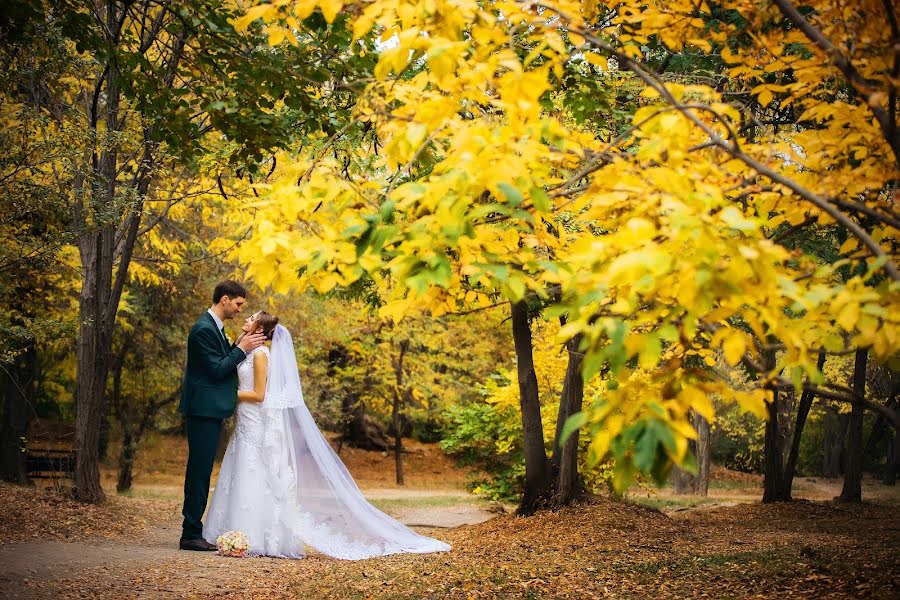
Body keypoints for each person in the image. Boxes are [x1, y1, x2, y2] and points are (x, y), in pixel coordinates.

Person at [203, 312, 451, 559]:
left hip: (253, 418)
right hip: (246, 420)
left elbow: (258, 395)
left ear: (259, 329)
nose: (246, 318)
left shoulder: (259, 355)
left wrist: (226, 395)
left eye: (252, 317)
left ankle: (256, 535)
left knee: (255, 471)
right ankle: (236, 530)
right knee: (244, 470)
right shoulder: (247, 351)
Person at [178, 281, 267, 551]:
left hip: (210, 409)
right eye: (239, 304)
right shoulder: (203, 329)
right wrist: (242, 349)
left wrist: (239, 345)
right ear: (225, 299)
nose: (240, 310)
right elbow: (217, 370)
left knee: (203, 470)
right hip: (202, 409)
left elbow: (222, 363)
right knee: (199, 471)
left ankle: (193, 530)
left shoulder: (215, 328)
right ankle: (190, 533)